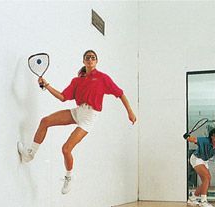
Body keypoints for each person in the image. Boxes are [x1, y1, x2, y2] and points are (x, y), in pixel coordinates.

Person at [17, 50, 137, 194]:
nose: (90, 60)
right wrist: (47, 85)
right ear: (84, 61)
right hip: (78, 111)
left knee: (66, 149)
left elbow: (120, 93)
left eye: (93, 58)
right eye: (87, 58)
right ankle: (29, 154)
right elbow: (62, 97)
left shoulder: (103, 78)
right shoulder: (77, 81)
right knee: (45, 121)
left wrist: (130, 112)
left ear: (96, 61)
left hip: (89, 117)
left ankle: (69, 177)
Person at [186, 128, 215, 207]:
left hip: (205, 160)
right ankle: (203, 202)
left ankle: (192, 198)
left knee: (207, 181)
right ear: (211, 137)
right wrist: (187, 137)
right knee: (207, 178)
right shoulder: (204, 141)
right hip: (196, 158)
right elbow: (193, 139)